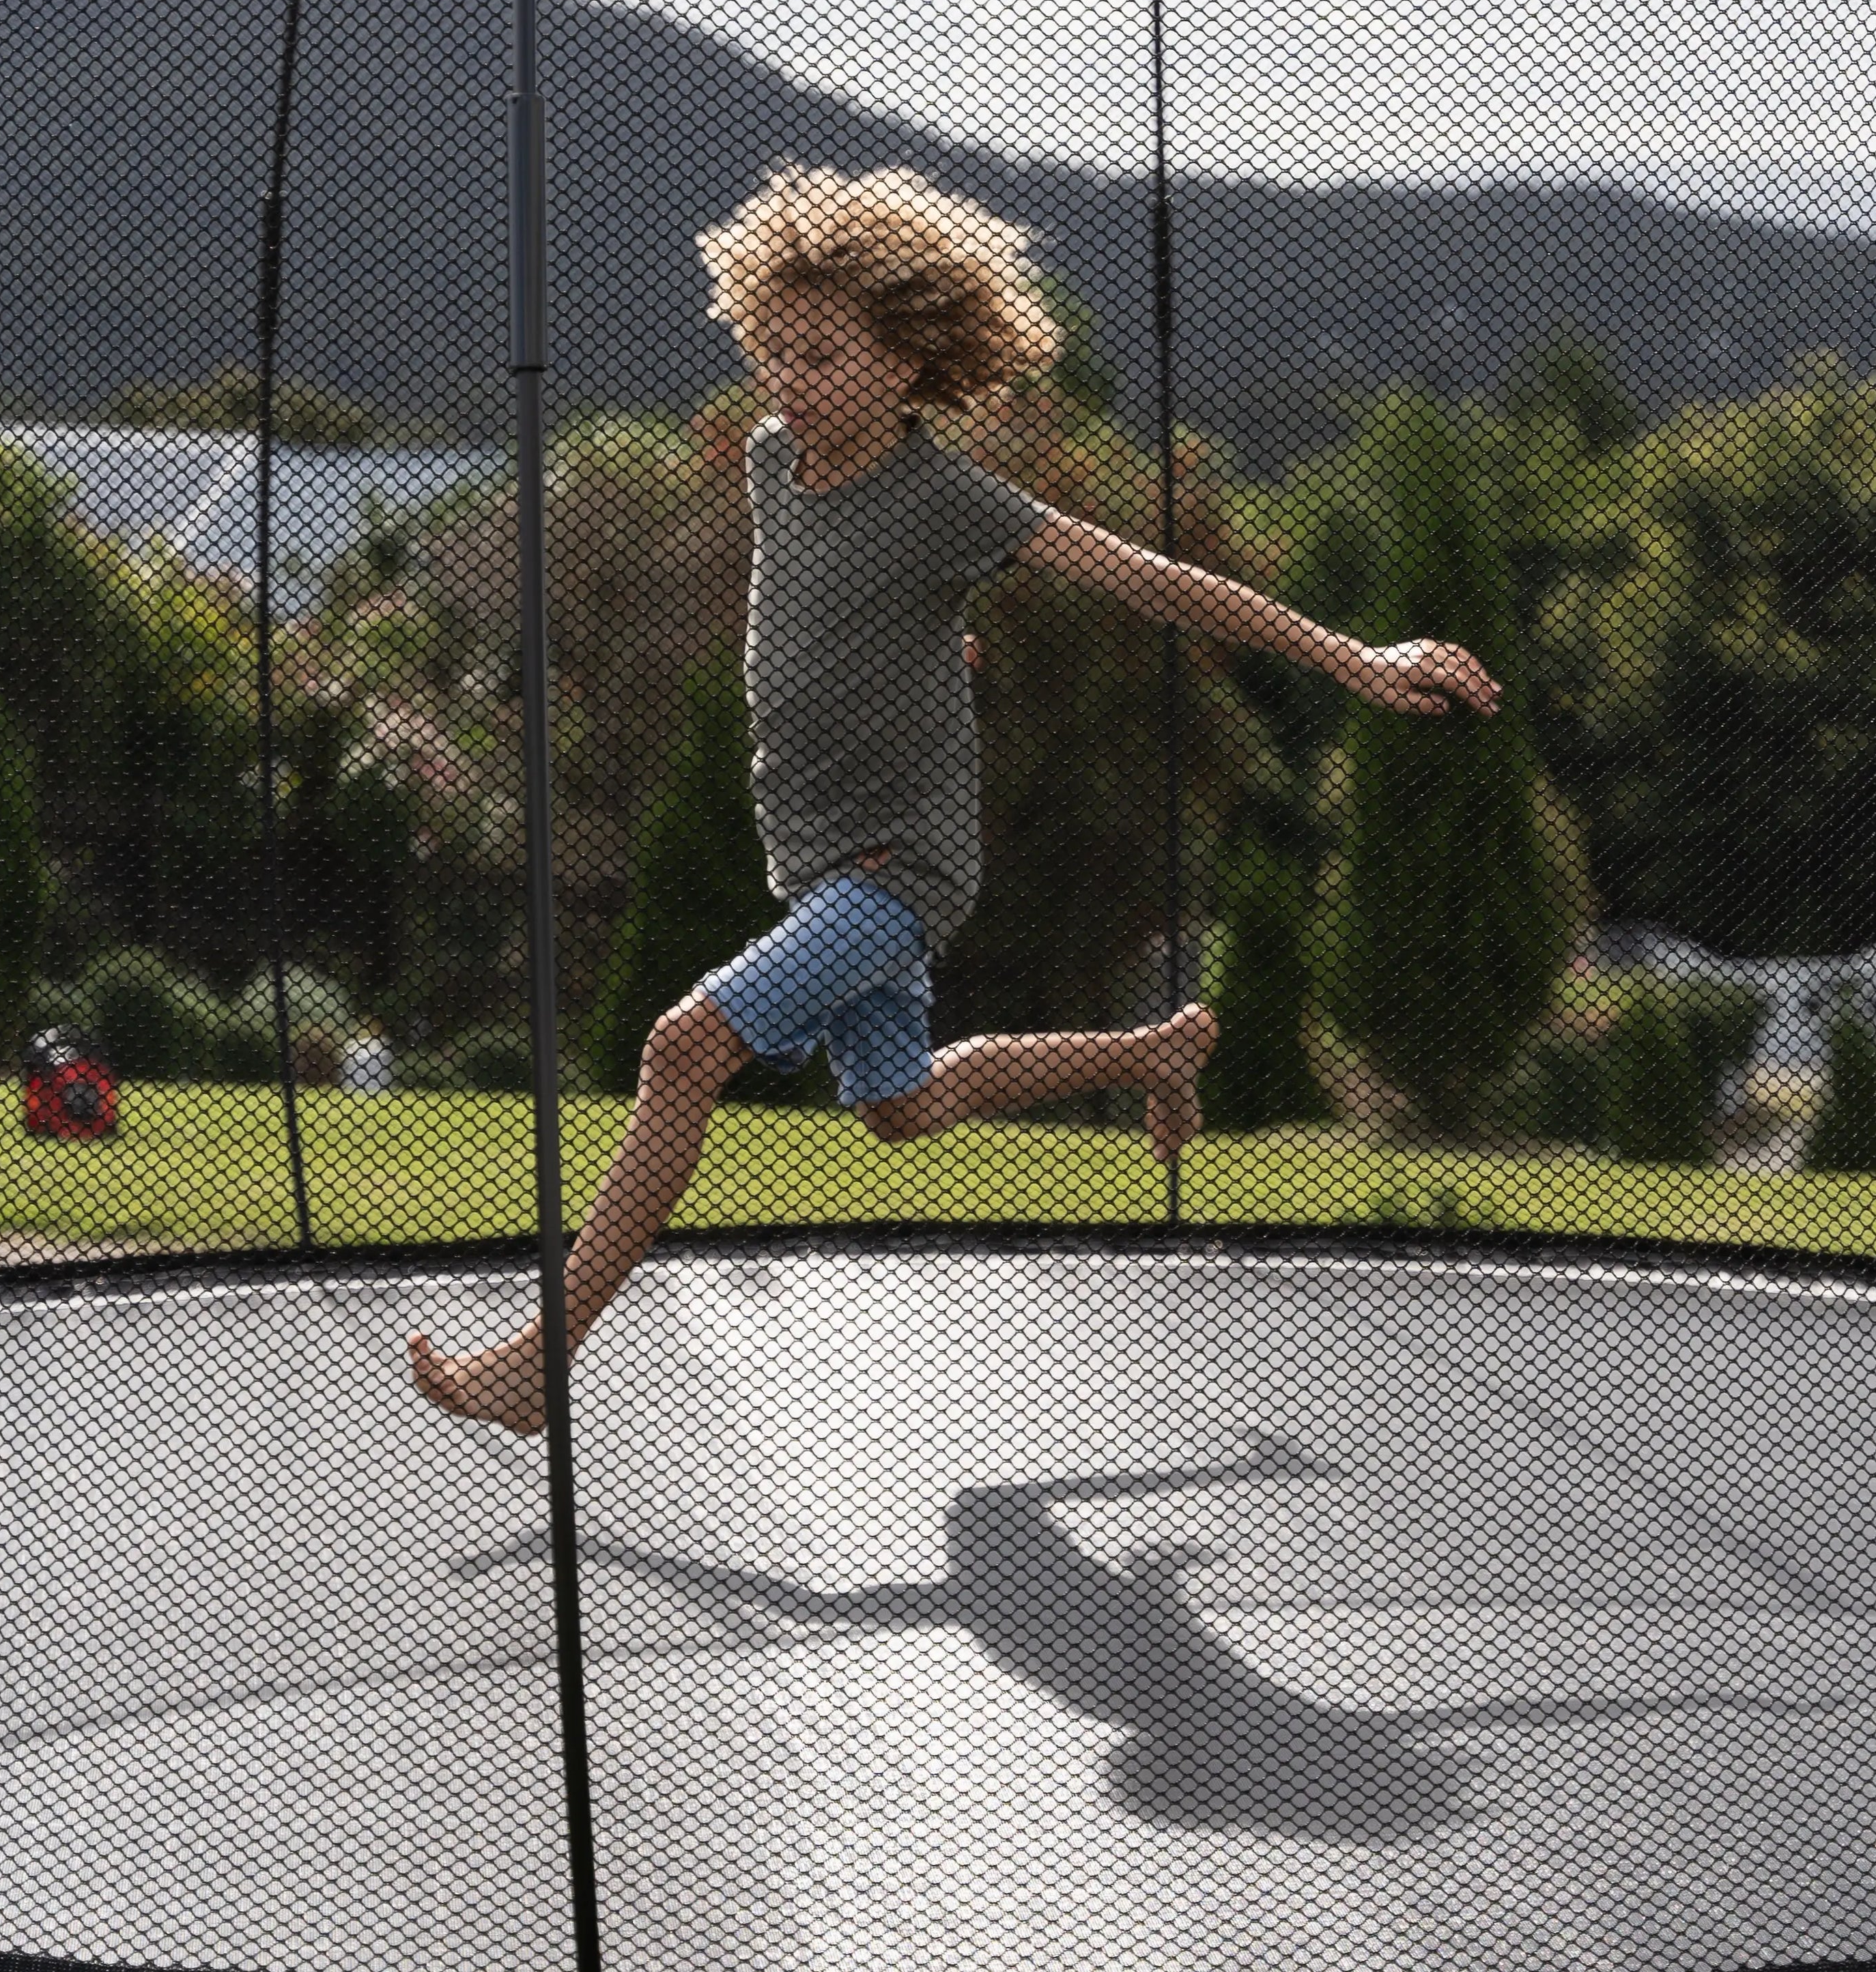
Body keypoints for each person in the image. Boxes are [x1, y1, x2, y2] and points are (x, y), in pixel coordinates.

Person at [409, 164, 1498, 1435]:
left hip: (897, 869)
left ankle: (544, 1361)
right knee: (900, 1107)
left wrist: (1357, 660)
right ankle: (1152, 1054)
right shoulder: (773, 465)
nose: (788, 382)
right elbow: (826, 615)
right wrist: (926, 656)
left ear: (908, 363)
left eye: (821, 358)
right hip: (820, 859)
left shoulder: (948, 497)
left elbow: (1151, 581)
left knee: (679, 1049)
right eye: (775, 350)